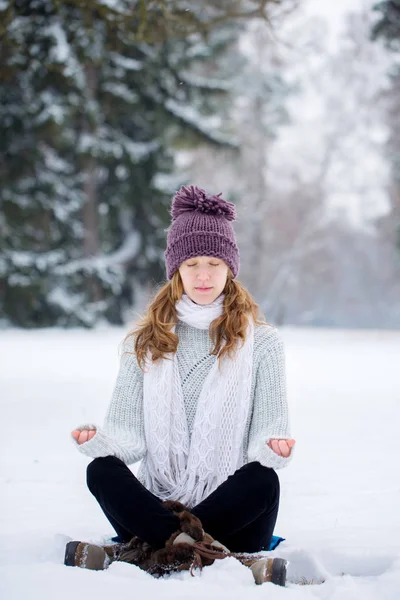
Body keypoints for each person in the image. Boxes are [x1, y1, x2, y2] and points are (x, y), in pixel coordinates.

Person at [65, 185, 296, 585]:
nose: (203, 275)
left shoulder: (263, 342)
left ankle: (141, 552)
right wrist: (99, 442)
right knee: (101, 471)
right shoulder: (144, 343)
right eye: (191, 264)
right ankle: (219, 557)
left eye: (213, 262)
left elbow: (269, 428)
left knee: (264, 480)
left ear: (230, 267)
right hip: (156, 505)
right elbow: (127, 436)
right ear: (176, 269)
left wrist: (272, 446)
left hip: (230, 514)